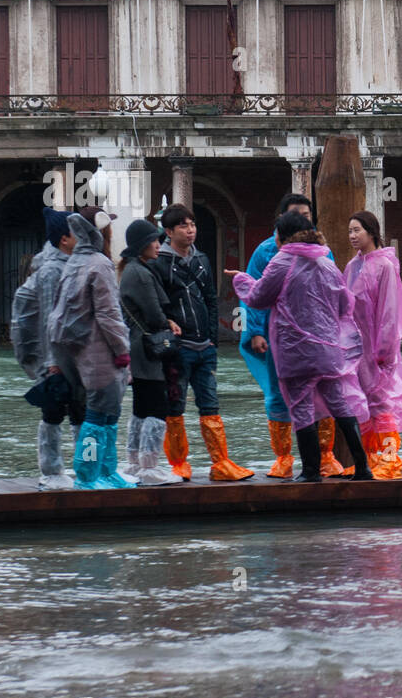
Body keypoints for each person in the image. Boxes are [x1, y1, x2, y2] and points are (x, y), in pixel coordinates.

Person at [227, 211, 373, 482]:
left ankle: (309, 471)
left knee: (301, 406)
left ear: (282, 236)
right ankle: (363, 467)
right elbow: (345, 304)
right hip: (328, 349)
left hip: (296, 351)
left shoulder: (282, 261)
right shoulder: (326, 261)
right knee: (339, 403)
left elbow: (258, 298)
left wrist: (241, 279)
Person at [239, 193, 345, 479]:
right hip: (280, 337)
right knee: (278, 394)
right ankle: (283, 458)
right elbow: (255, 297)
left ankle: (325, 456)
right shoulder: (266, 251)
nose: (302, 220)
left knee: (324, 396)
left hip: (317, 335)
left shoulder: (324, 252)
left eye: (307, 215)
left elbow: (335, 294)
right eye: (296, 214)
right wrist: (256, 333)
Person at [151, 203, 254, 482]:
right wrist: (169, 332)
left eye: (193, 224)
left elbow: (211, 299)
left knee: (210, 404)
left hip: (204, 346)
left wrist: (211, 339)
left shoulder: (202, 260)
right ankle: (178, 463)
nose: (191, 230)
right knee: (175, 406)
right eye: (184, 226)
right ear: (169, 231)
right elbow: (156, 306)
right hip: (178, 348)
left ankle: (221, 462)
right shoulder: (160, 263)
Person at [47, 211, 135, 490]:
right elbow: (109, 314)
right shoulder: (100, 264)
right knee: (101, 415)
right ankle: (89, 476)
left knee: (104, 415)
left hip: (76, 350)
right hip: (100, 350)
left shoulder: (74, 261)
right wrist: (122, 350)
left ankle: (105, 472)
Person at [11, 208, 81, 490]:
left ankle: (86, 467)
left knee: (80, 411)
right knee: (54, 411)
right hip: (52, 356)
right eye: (78, 233)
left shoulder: (69, 264)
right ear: (64, 239)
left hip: (71, 353)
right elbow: (50, 318)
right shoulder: (53, 271)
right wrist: (52, 364)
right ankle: (51, 471)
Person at [119, 218, 184, 486]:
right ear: (141, 246)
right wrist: (168, 322)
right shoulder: (141, 274)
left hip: (137, 348)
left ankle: (135, 462)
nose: (158, 245)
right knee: (156, 407)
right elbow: (154, 313)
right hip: (147, 350)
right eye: (153, 241)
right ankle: (149, 465)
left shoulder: (132, 270)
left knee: (141, 407)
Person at [344, 210, 402, 479]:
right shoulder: (351, 266)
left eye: (357, 230)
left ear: (372, 232)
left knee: (383, 403)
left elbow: (391, 311)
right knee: (363, 403)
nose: (352, 236)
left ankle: (390, 460)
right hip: (356, 348)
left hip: (379, 348)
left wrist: (385, 350)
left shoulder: (385, 266)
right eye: (350, 231)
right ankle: (370, 459)